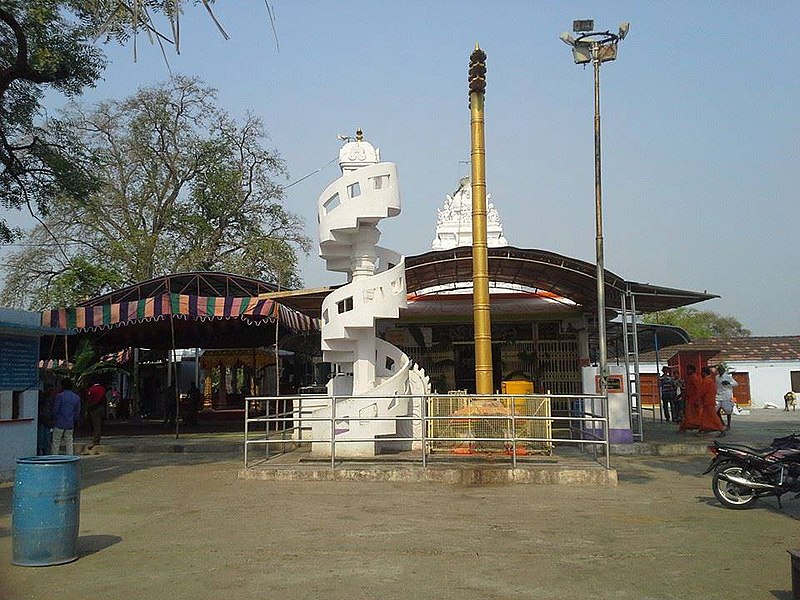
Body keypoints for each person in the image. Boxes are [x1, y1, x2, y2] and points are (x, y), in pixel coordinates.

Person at [51, 378, 81, 455]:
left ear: (62, 386)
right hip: (70, 423)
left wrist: (53, 418)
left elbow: (55, 409)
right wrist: (75, 420)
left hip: (59, 422)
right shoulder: (76, 397)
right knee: (69, 442)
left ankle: (55, 458)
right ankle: (70, 457)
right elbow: (77, 412)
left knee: (56, 442)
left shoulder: (60, 396)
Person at [697, 366, 724, 436]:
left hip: (708, 401)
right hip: (709, 401)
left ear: (704, 373)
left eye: (701, 373)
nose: (701, 374)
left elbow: (702, 391)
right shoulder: (711, 380)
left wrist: (697, 398)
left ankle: (722, 430)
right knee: (705, 417)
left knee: (713, 416)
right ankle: (704, 429)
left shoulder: (706, 381)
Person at [678, 365, 702, 432]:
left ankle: (697, 426)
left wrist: (697, 400)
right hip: (689, 398)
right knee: (687, 414)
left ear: (692, 370)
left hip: (693, 399)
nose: (687, 371)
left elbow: (697, 389)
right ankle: (684, 427)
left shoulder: (694, 378)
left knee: (692, 415)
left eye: (688, 369)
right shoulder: (690, 378)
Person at [715, 365, 738, 431]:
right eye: (718, 370)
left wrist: (729, 383)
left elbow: (736, 384)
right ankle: (722, 423)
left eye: (721, 370)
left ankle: (729, 425)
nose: (719, 371)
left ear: (723, 370)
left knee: (728, 411)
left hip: (726, 396)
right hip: (718, 395)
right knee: (716, 410)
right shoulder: (717, 377)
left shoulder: (728, 377)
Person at [86, 381, 106, 449]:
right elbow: (104, 399)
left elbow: (89, 399)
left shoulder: (91, 389)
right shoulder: (102, 389)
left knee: (96, 424)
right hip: (101, 408)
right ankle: (97, 438)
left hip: (94, 408)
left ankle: (96, 440)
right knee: (99, 424)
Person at [37, 385, 54, 455]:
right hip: (44, 420)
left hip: (45, 421)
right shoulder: (45, 399)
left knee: (44, 439)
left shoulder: (47, 399)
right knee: (44, 439)